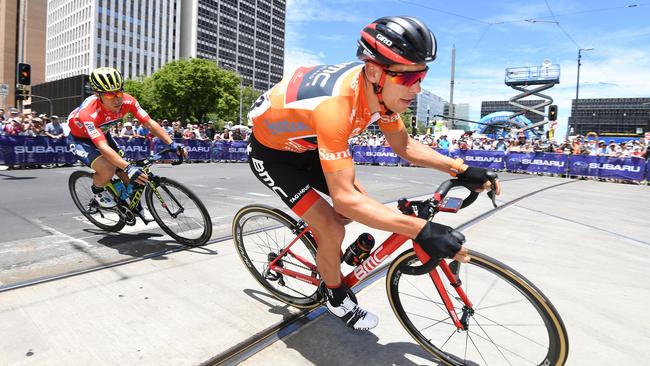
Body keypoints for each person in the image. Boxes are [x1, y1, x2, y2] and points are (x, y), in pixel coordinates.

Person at [246, 16, 500, 331]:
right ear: (375, 71)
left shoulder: (380, 94)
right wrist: (420, 230)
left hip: (307, 143)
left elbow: (403, 145)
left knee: (359, 209)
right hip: (273, 156)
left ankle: (320, 236)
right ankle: (335, 296)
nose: (417, 88)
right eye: (408, 79)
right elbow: (346, 198)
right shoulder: (337, 108)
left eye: (421, 76)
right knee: (335, 225)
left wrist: (462, 169)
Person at [67, 67, 186, 220]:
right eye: (110, 94)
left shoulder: (128, 101)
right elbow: (102, 147)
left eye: (119, 92)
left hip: (102, 133)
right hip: (80, 139)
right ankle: (97, 191)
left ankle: (136, 208)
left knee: (129, 175)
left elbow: (149, 123)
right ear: (98, 95)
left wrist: (172, 143)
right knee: (108, 168)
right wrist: (128, 167)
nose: (117, 99)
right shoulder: (88, 113)